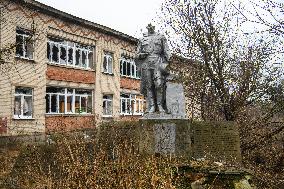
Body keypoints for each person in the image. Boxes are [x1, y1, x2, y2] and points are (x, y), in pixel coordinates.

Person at [136, 23, 171, 113]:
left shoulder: (161, 37)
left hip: (157, 62)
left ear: (154, 28)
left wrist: (169, 59)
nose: (150, 28)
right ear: (147, 28)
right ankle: (152, 106)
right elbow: (137, 54)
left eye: (152, 27)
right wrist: (141, 55)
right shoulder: (142, 39)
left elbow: (166, 50)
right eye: (149, 27)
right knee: (149, 85)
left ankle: (160, 105)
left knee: (159, 84)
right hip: (146, 64)